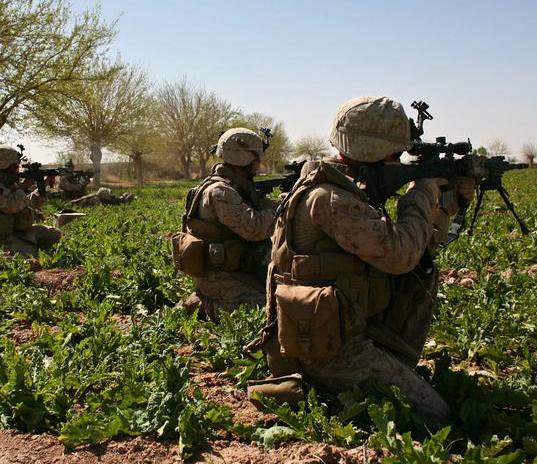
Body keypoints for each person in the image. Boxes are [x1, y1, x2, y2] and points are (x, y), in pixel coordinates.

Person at [254, 96, 475, 422]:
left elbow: (416, 254)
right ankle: (324, 389)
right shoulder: (330, 198)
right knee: (437, 415)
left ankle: (382, 371)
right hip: (327, 348)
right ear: (376, 152)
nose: (401, 163)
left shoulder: (344, 187)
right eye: (397, 156)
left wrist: (447, 207)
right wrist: (422, 193)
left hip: (344, 327)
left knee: (423, 272)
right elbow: (400, 257)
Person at [172, 128, 278, 320]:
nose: (258, 166)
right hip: (217, 276)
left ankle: (207, 298)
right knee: (268, 309)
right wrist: (282, 209)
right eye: (257, 161)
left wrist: (281, 202)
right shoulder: (220, 192)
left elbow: (257, 206)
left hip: (232, 268)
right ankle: (203, 305)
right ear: (247, 161)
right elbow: (255, 229)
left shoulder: (233, 186)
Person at [0, 146, 62, 256]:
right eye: (16, 165)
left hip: (18, 231)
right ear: (6, 165)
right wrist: (23, 186)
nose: (18, 167)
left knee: (54, 234)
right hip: (1, 237)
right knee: (31, 254)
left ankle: (25, 245)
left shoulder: (7, 183)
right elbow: (11, 207)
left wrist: (44, 184)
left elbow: (26, 203)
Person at [68, 186, 136, 207]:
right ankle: (125, 198)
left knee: (122, 198)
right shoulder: (96, 200)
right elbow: (96, 209)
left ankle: (125, 197)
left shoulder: (96, 196)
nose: (109, 196)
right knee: (124, 199)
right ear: (104, 196)